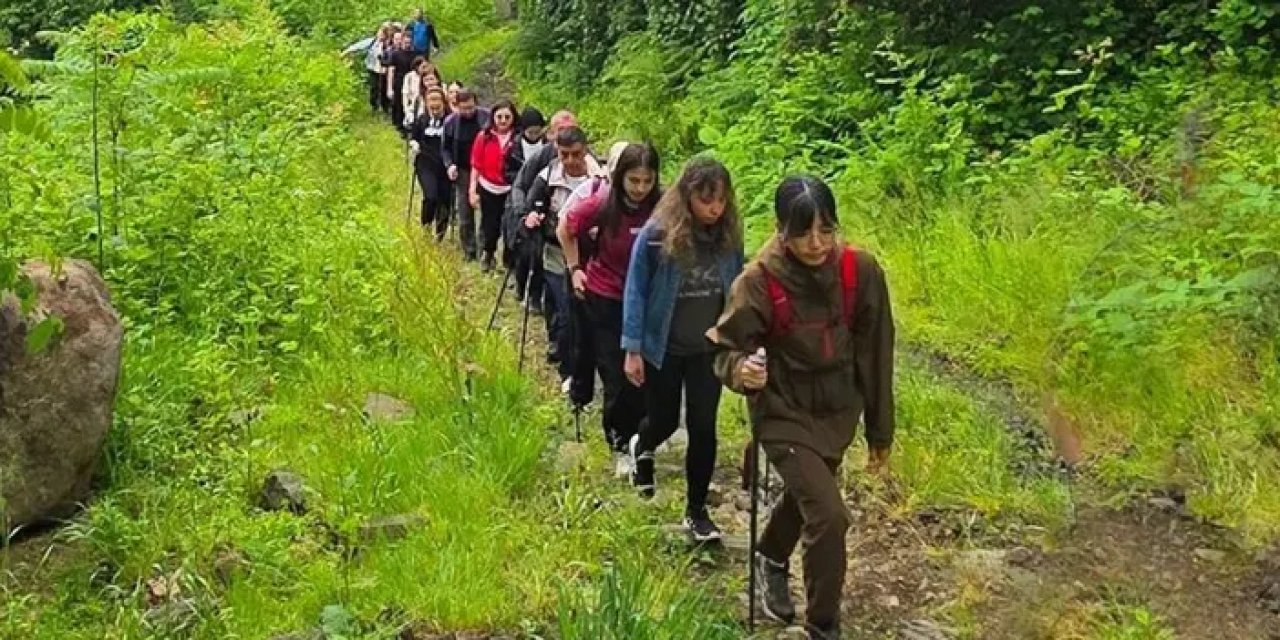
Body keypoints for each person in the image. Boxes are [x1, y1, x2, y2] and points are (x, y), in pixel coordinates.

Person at [706, 176, 896, 640]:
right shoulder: (757, 281)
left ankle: (770, 555)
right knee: (830, 515)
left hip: (838, 411)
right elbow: (725, 350)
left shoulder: (860, 272)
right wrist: (740, 372)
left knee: (808, 497)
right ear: (781, 229)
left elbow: (877, 353)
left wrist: (879, 431)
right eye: (804, 232)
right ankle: (823, 625)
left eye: (827, 230)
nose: (817, 244)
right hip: (783, 412)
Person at [621, 156, 744, 541]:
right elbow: (636, 290)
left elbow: (740, 288)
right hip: (665, 347)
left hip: (708, 351)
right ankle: (642, 443)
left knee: (704, 428)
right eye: (707, 200)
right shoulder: (657, 234)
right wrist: (633, 347)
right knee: (665, 420)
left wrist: (743, 338)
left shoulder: (728, 238)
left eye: (721, 200)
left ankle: (696, 510)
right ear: (688, 197)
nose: (715, 208)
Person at [558, 142, 660, 475]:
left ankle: (642, 437)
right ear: (621, 178)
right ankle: (619, 442)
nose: (640, 189)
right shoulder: (601, 204)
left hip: (647, 300)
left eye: (647, 181)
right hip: (606, 297)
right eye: (634, 181)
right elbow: (566, 229)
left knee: (645, 374)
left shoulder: (663, 207)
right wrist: (576, 269)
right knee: (616, 373)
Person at [525, 127, 605, 388]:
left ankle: (581, 363)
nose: (570, 160)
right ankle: (568, 366)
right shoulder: (547, 176)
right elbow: (531, 203)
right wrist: (531, 218)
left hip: (590, 256)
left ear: (585, 150)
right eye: (564, 154)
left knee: (583, 312)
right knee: (564, 308)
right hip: (555, 251)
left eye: (576, 154)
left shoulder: (601, 178)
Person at [503, 107, 547, 306]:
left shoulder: (547, 148)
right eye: (530, 132)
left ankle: (535, 295)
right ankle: (520, 284)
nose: (534, 136)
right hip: (517, 198)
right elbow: (507, 171)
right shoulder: (514, 146)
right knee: (519, 245)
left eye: (538, 131)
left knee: (537, 252)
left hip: (540, 200)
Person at [469, 99, 519, 273]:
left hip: (510, 189)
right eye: (499, 117)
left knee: (510, 227)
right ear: (493, 117)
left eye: (507, 117)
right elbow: (476, 165)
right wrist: (472, 190)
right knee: (490, 226)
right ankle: (488, 253)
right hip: (488, 187)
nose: (503, 120)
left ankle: (508, 262)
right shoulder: (484, 136)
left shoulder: (517, 139)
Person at [441, 90, 490, 261]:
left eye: (470, 108)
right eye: (464, 109)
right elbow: (445, 148)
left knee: (486, 212)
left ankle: (485, 249)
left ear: (476, 103)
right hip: (463, 170)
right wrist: (449, 165)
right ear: (456, 106)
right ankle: (469, 250)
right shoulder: (451, 122)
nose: (468, 112)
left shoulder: (487, 118)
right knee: (464, 212)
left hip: (485, 170)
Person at [409, 87, 452, 241]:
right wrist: (414, 145)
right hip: (426, 163)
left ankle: (440, 235)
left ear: (443, 102)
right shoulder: (422, 120)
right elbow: (414, 137)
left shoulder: (451, 120)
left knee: (445, 200)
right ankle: (426, 228)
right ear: (426, 103)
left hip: (446, 165)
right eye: (430, 100)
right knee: (431, 196)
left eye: (437, 100)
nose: (434, 104)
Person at [385, 31, 416, 136]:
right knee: (399, 104)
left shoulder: (415, 54)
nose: (407, 44)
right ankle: (400, 126)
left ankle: (410, 125)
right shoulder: (395, 54)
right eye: (405, 42)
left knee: (411, 103)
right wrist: (389, 88)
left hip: (412, 82)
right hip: (399, 81)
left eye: (409, 42)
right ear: (402, 41)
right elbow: (391, 71)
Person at [365, 24, 391, 116]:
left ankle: (386, 108)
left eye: (381, 33)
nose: (379, 35)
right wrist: (346, 52)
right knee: (374, 88)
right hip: (373, 69)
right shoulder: (372, 42)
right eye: (379, 33)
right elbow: (358, 46)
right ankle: (374, 106)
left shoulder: (388, 45)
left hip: (385, 71)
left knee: (384, 90)